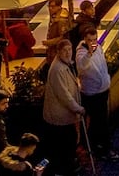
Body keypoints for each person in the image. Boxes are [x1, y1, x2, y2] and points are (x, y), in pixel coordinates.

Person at [42, 39, 85, 175]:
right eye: (65, 50)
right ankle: (66, 169)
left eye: (69, 50)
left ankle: (68, 166)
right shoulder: (57, 69)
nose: (68, 53)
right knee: (65, 145)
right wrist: (78, 109)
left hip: (65, 116)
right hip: (60, 118)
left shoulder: (65, 65)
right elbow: (64, 96)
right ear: (58, 52)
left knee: (69, 143)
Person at [76, 27, 115, 160]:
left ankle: (97, 146)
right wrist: (89, 54)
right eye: (90, 40)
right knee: (100, 122)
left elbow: (102, 66)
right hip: (92, 93)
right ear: (85, 40)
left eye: (95, 39)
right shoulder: (81, 53)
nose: (93, 42)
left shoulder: (98, 48)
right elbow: (81, 67)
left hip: (102, 90)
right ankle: (102, 149)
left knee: (100, 121)